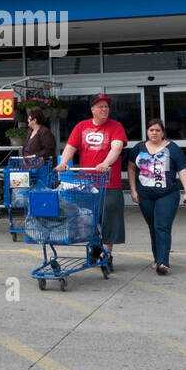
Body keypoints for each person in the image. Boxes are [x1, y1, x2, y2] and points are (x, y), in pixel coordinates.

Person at [57, 94, 127, 264]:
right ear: (92, 110)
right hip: (87, 183)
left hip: (109, 182)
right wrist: (63, 163)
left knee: (110, 217)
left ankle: (107, 253)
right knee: (88, 217)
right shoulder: (82, 127)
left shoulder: (115, 126)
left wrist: (105, 163)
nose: (104, 109)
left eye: (106, 107)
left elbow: (116, 147)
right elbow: (70, 147)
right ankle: (94, 246)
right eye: (100, 106)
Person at [128, 119, 186, 275]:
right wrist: (133, 190)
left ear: (163, 132)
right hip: (145, 195)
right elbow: (131, 168)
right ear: (147, 132)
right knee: (153, 228)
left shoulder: (173, 149)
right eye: (151, 130)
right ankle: (157, 258)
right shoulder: (139, 148)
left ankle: (163, 262)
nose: (154, 133)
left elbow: (182, 170)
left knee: (162, 227)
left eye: (157, 130)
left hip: (167, 194)